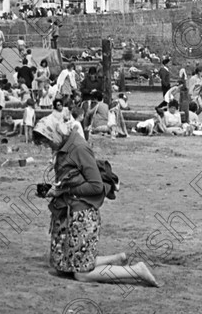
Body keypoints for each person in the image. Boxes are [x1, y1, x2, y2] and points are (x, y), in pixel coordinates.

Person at [33, 114, 159, 287]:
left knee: (81, 275)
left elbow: (96, 186)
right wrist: (56, 190)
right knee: (62, 266)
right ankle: (116, 259)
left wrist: (63, 190)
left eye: (48, 141)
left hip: (82, 213)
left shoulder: (78, 148)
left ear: (55, 133)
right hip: (68, 211)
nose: (48, 146)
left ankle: (136, 270)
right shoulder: (65, 145)